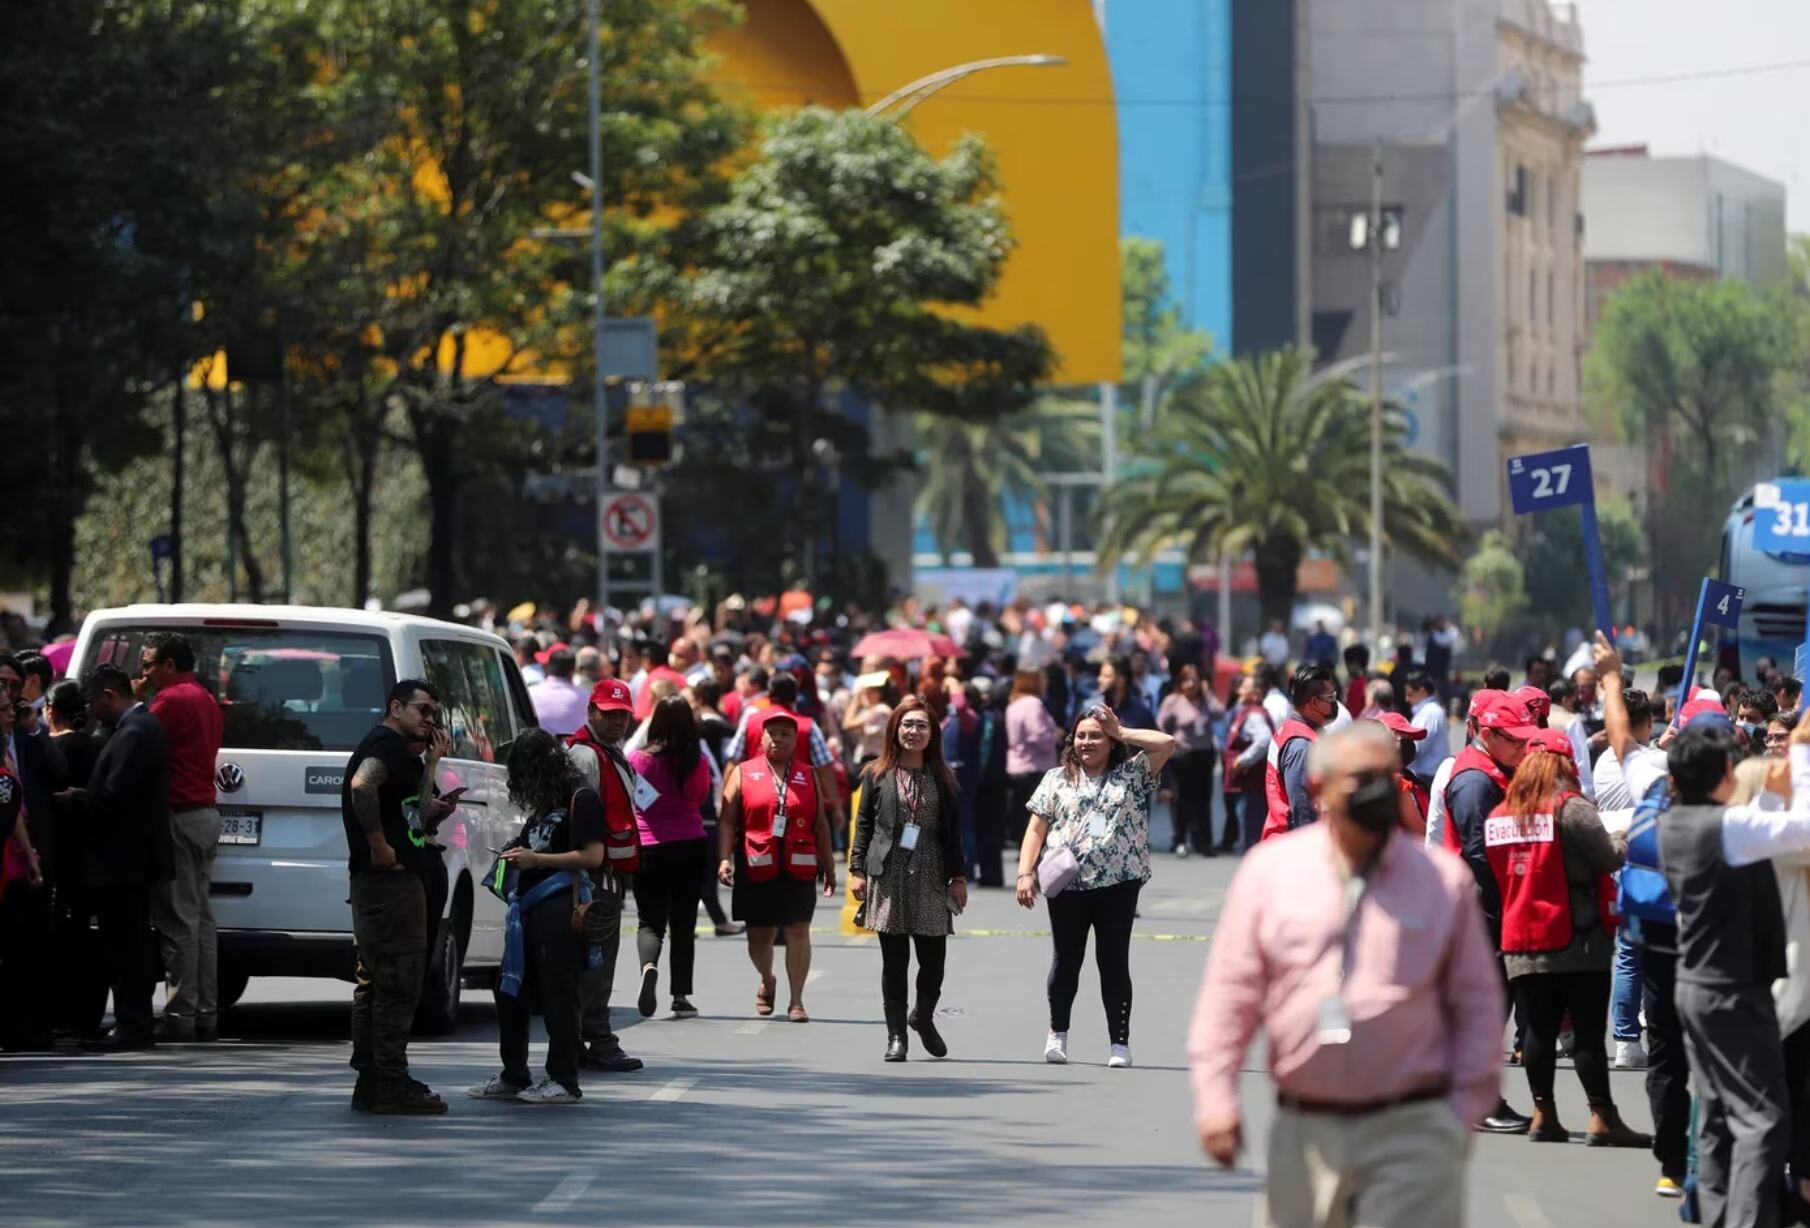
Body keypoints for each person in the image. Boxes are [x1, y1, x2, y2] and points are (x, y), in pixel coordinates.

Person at [1189, 722, 1505, 1226]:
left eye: (1385, 777)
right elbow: (1230, 997)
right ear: (1320, 788)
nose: (1377, 791)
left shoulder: (1442, 881)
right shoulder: (1270, 873)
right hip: (1305, 1132)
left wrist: (1460, 1114)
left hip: (1413, 1131)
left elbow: (1478, 1007)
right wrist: (1216, 1100)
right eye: (1361, 779)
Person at [1657, 713, 1810, 1225]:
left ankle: (1717, 1213)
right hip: (1731, 991)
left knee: (1719, 1116)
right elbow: (1803, 829)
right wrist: (1802, 757)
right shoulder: (1726, 828)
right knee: (1763, 1120)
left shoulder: (1675, 822)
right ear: (1725, 771)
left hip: (1696, 985)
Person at [1485, 727, 1649, 1147]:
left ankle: (1544, 1114)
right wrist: (1623, 836)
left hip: (1521, 938)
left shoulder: (1500, 815)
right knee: (1588, 1032)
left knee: (1538, 1030)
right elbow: (1608, 857)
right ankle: (1602, 1117)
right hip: (1577, 939)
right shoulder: (1571, 808)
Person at [1015, 705, 1175, 1067]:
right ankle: (1057, 1033)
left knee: (1114, 962)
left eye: (1096, 736)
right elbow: (1036, 829)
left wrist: (1124, 731)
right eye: (1081, 735)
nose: (1086, 742)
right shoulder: (1056, 779)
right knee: (1066, 961)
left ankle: (1119, 1043)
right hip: (1067, 886)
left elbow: (1167, 744)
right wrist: (1025, 873)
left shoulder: (1131, 773)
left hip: (1118, 884)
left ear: (1111, 741)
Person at [468, 729, 604, 1105]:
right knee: (510, 991)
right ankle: (514, 1074)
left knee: (558, 994)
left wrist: (536, 859)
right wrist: (516, 851)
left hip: (560, 906)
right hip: (528, 909)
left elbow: (593, 856)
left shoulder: (581, 797)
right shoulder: (546, 803)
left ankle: (563, 1079)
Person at [341, 679, 455, 1113]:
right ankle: (389, 1080)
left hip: (392, 883)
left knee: (378, 983)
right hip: (389, 885)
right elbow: (361, 786)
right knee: (398, 983)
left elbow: (415, 815)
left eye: (433, 713)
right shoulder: (385, 745)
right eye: (422, 710)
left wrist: (432, 766)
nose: (429, 720)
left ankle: (373, 1079)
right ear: (395, 707)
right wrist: (379, 844)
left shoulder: (404, 754)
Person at [57, 665, 173, 1052]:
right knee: (130, 944)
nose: (90, 711)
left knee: (126, 947)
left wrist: (77, 799)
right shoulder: (140, 727)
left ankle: (132, 1025)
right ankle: (133, 1022)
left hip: (123, 861)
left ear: (109, 696)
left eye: (93, 703)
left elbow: (112, 799)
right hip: (130, 859)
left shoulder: (135, 732)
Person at [1442, 689, 1538, 1134]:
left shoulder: (1492, 770)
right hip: (1484, 907)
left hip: (1491, 904)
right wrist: (1509, 905)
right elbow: (1480, 853)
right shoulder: (1474, 781)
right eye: (1513, 738)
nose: (1522, 746)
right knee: (1487, 1008)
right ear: (1487, 734)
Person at [848, 698, 966, 1061]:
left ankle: (923, 1017)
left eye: (921, 726)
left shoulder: (944, 777)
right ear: (895, 730)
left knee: (933, 960)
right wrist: (856, 870)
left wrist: (958, 877)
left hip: (931, 870)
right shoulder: (877, 773)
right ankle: (896, 1035)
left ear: (932, 734)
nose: (913, 732)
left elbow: (953, 833)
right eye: (907, 725)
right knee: (895, 961)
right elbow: (864, 825)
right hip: (890, 871)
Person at [136, 632, 226, 1043]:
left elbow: (136, 739)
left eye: (148, 664)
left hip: (180, 816)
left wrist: (136, 700)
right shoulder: (205, 697)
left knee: (178, 921)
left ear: (169, 665)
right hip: (204, 815)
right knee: (201, 920)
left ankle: (180, 1015)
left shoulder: (171, 700)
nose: (144, 673)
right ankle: (204, 1013)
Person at [717, 712, 836, 1022]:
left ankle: (797, 1001)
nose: (778, 739)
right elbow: (727, 820)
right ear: (761, 738)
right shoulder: (743, 772)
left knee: (798, 930)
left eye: (785, 734)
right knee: (759, 938)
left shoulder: (807, 774)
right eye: (773, 733)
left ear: (795, 741)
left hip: (799, 866)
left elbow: (820, 824)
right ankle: (767, 978)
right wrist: (724, 858)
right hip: (756, 865)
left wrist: (829, 866)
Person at [563, 679, 646, 1073]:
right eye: (609, 714)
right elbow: (578, 819)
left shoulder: (611, 752)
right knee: (595, 962)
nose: (617, 722)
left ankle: (586, 1039)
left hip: (606, 873)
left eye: (623, 715)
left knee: (597, 961)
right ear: (591, 712)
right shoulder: (585, 756)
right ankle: (597, 1040)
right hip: (592, 876)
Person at [628, 695, 712, 1019]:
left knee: (649, 922)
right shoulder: (698, 761)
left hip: (649, 845)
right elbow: (701, 798)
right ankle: (680, 995)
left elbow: (634, 799)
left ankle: (648, 966)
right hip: (690, 844)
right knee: (683, 922)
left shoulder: (638, 760)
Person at [1260, 664, 1340, 841]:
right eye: (1331, 697)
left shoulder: (1295, 730)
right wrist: (1310, 846)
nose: (1335, 703)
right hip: (1293, 843)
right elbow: (1302, 807)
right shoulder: (1301, 745)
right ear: (1314, 702)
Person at [1157, 663, 1225, 857]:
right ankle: (1180, 839)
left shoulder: (1205, 702)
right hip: (1183, 754)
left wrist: (1207, 693)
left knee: (1203, 798)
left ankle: (1204, 842)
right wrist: (1171, 741)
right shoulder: (1173, 701)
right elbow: (1160, 724)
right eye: (1186, 680)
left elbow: (1220, 713)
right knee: (1182, 798)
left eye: (1194, 681)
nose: (1190, 685)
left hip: (1204, 753)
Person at [1005, 667, 1060, 849]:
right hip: (1034, 766)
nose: (1046, 683)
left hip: (1017, 765)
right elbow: (1038, 735)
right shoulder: (1033, 704)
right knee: (1035, 819)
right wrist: (1055, 736)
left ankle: (1024, 852)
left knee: (1021, 816)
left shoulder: (1013, 704)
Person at [1223, 675, 1272, 853]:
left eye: (1244, 688)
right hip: (1247, 786)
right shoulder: (1248, 711)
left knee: (1252, 835)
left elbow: (1264, 740)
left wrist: (1242, 761)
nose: (1239, 691)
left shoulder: (1254, 715)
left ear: (1256, 693)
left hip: (1251, 785)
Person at [528, 646, 588, 737]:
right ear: (572, 672)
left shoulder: (530, 692)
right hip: (573, 745)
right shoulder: (585, 696)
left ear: (548, 667)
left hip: (536, 744)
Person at [1402, 670, 1446, 790]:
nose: (1407, 699)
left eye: (1410, 694)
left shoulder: (1429, 712)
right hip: (1427, 774)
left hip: (1426, 775)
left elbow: (1416, 746)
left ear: (1422, 691)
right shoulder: (1430, 711)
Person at [1097, 655, 1155, 731]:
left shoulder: (1141, 713)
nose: (1099, 679)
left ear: (1121, 680)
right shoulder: (1093, 709)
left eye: (1106, 676)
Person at [1341, 644, 1371, 719]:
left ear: (1356, 663)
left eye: (1348, 664)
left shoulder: (1357, 685)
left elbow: (1355, 713)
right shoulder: (1368, 681)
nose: (1347, 668)